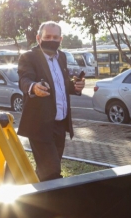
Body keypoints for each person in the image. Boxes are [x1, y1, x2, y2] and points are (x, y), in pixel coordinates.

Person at [17, 21, 85, 181]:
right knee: (53, 172)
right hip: (39, 125)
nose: (51, 40)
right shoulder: (29, 57)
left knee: (47, 170)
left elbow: (61, 84)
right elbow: (24, 79)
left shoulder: (61, 57)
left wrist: (75, 86)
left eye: (55, 37)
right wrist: (33, 87)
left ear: (61, 39)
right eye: (47, 36)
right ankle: (53, 202)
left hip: (60, 124)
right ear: (38, 38)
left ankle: (35, 197)